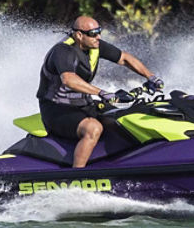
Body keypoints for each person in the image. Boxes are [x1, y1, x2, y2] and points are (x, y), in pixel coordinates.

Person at [37, 16, 162, 168]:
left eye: (99, 32)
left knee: (123, 117)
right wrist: (102, 93)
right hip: (55, 110)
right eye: (93, 33)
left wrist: (151, 77)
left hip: (82, 104)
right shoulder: (62, 51)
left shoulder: (95, 45)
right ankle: (76, 177)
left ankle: (129, 162)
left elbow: (125, 58)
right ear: (79, 35)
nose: (98, 37)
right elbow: (69, 80)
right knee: (93, 128)